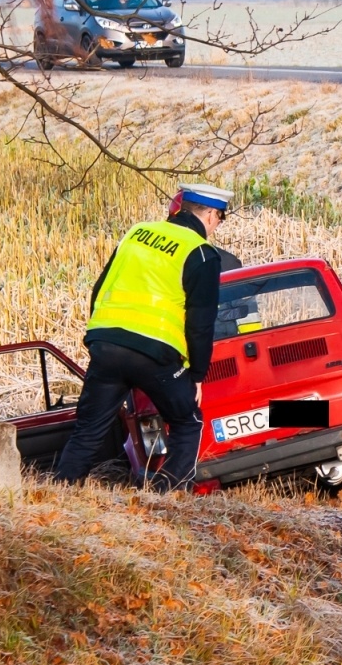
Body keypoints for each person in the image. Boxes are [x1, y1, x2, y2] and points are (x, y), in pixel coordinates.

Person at [54, 183, 230, 491]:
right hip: (155, 353)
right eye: (220, 219)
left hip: (107, 344)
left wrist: (99, 338)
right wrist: (197, 375)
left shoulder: (137, 233)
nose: (217, 226)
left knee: (88, 430)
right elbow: (201, 323)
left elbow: (100, 288)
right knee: (187, 422)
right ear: (211, 215)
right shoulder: (201, 253)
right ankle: (164, 495)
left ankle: (61, 492)